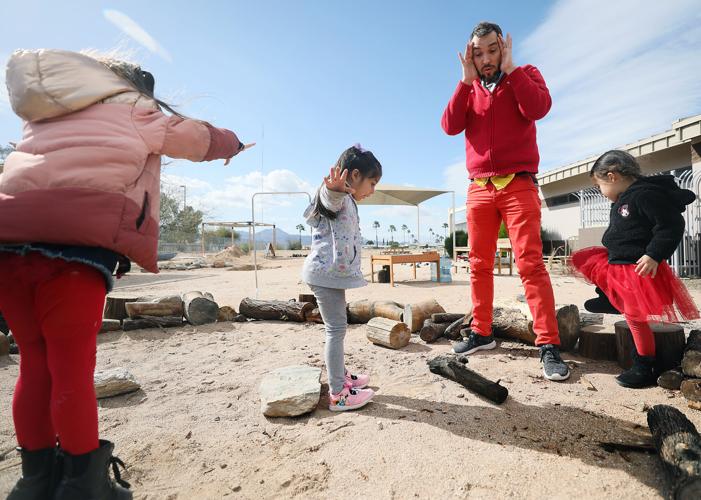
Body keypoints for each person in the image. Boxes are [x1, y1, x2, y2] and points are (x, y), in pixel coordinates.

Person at [0, 48, 252, 499]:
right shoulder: (134, 109)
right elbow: (195, 139)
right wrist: (231, 144)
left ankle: (34, 481)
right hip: (72, 254)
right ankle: (83, 486)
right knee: (72, 370)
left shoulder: (45, 115)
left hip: (7, 250)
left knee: (34, 366)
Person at [441, 21, 570, 381]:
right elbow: (450, 126)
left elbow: (539, 107)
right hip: (479, 187)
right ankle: (482, 332)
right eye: (477, 53)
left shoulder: (525, 74)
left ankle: (548, 344)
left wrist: (512, 71)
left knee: (530, 264)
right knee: (479, 263)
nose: (485, 59)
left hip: (519, 183)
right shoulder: (470, 89)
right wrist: (464, 81)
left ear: (503, 48)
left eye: (492, 50)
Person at [572, 150, 699, 388]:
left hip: (637, 269)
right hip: (617, 263)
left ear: (612, 176)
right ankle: (610, 298)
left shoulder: (644, 196)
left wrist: (654, 254)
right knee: (584, 259)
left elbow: (671, 224)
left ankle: (644, 365)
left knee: (634, 319)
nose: (601, 192)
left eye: (599, 186)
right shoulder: (624, 197)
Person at [302, 145, 382, 411]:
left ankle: (342, 376)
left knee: (338, 327)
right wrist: (334, 189)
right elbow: (328, 199)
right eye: (372, 183)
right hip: (325, 275)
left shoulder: (349, 199)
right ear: (355, 175)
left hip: (330, 275)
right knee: (335, 330)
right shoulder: (336, 195)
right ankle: (338, 394)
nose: (372, 190)